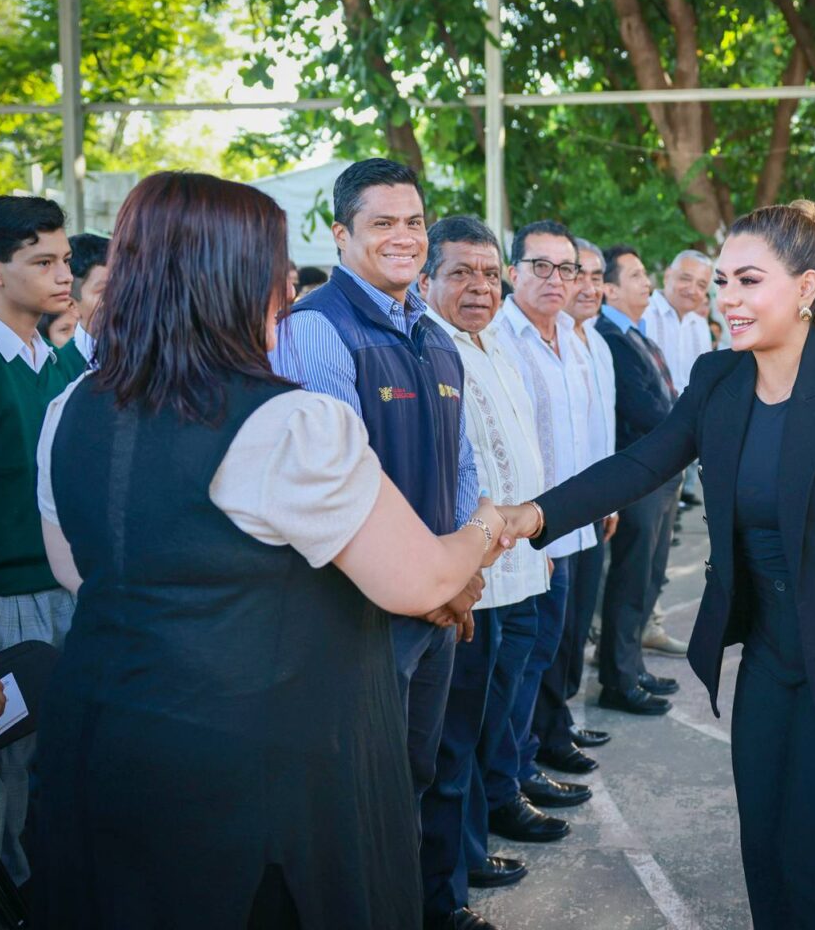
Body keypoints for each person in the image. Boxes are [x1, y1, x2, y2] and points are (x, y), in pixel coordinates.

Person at [32, 171, 506, 930]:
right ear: (240, 282)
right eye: (276, 271)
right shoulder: (290, 424)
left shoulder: (69, 410)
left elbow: (80, 572)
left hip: (102, 747)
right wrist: (485, 526)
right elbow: (420, 580)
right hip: (252, 781)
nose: (286, 291)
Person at [499, 200, 815, 930]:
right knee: (764, 846)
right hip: (770, 655)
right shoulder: (717, 381)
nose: (726, 300)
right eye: (722, 284)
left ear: (805, 289)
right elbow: (641, 462)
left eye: (746, 281)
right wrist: (533, 516)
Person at [271, 158, 482, 821]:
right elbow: (341, 484)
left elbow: (463, 466)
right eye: (382, 223)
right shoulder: (317, 327)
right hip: (358, 615)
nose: (404, 237)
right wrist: (430, 580)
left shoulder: (434, 335)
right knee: (360, 794)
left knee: (414, 776)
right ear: (340, 234)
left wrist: (454, 574)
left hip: (435, 602)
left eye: (415, 222)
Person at [418, 216, 552, 930]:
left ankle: (467, 853)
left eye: (489, 273)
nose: (479, 287)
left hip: (516, 565)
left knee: (486, 720)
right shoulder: (430, 350)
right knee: (455, 738)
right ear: (428, 280)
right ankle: (450, 880)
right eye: (462, 273)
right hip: (470, 577)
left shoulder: (493, 342)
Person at [0, 195, 79, 917]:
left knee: (58, 790)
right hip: (5, 614)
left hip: (69, 596)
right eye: (42, 262)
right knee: (2, 804)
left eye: (67, 260)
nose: (62, 276)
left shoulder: (57, 359)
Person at [488, 219, 598, 822]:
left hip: (572, 525)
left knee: (549, 653)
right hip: (530, 537)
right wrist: (539, 534)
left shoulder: (571, 337)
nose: (557, 280)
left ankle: (526, 762)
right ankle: (511, 779)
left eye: (568, 268)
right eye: (542, 266)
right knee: (521, 665)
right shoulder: (501, 338)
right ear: (514, 272)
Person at [595, 245, 682, 715]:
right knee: (630, 579)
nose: (647, 282)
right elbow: (647, 409)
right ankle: (619, 679)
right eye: (637, 274)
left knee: (649, 577)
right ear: (610, 288)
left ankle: (633, 667)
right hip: (639, 474)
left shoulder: (638, 333)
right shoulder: (610, 334)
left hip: (663, 471)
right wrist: (691, 423)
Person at [557, 239, 617, 747]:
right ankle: (549, 732)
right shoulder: (545, 336)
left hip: (596, 507)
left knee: (577, 623)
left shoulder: (595, 340)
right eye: (582, 274)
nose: (589, 286)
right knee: (549, 637)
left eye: (598, 277)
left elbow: (602, 429)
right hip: (556, 514)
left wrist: (611, 497)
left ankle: (562, 722)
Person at [642, 248, 714, 657]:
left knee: (661, 543)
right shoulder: (647, 315)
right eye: (685, 278)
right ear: (667, 274)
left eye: (702, 284)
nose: (692, 289)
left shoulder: (698, 325)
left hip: (683, 449)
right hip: (650, 442)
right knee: (638, 544)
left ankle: (650, 622)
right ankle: (617, 631)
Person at [59, 232, 110, 374]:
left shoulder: (150, 356)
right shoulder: (60, 372)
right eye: (105, 291)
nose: (121, 296)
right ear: (72, 305)